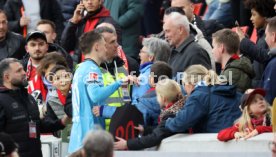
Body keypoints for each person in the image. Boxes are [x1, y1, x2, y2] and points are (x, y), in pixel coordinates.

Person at [114, 64, 241, 150]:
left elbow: (176, 125)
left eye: (184, 84)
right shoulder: (223, 88)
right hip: (233, 140)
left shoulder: (198, 96)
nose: (184, 89)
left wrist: (128, 143)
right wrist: (147, 129)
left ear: (190, 84)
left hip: (219, 144)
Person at [68, 31, 128, 153]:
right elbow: (95, 96)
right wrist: (119, 82)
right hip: (89, 137)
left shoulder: (81, 68)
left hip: (78, 135)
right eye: (104, 45)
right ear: (96, 47)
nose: (106, 50)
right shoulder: (92, 69)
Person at [0, 58, 68, 157]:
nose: (24, 72)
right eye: (19, 71)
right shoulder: (1, 100)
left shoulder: (29, 98)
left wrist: (62, 122)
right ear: (7, 77)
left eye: (23, 69)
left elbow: (37, 125)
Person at [114, 79, 186, 150]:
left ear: (163, 98)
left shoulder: (170, 115)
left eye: (157, 95)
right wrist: (145, 129)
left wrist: (127, 144)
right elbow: (163, 130)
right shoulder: (180, 109)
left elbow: (155, 137)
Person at [236, 0, 275, 88]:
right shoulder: (261, 34)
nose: (251, 18)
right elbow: (256, 58)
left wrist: (244, 41)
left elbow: (266, 56)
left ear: (264, 16)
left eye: (254, 15)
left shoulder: (268, 36)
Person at [163, 12, 211, 78]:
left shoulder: (196, 53)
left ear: (180, 30)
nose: (165, 36)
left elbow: (203, 84)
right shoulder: (173, 50)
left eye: (168, 31)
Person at [131, 37, 171, 105]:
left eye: (142, 52)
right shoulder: (167, 73)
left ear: (151, 57)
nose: (139, 54)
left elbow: (138, 104)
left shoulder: (147, 76)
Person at [261, 16, 276, 104]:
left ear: (273, 36)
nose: (265, 39)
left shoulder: (274, 65)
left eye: (266, 35)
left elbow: (268, 100)